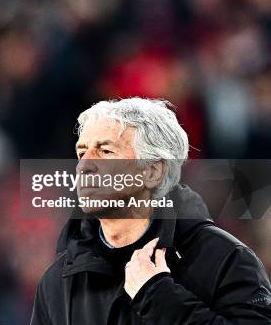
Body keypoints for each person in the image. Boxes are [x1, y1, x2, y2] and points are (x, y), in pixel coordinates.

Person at [30, 97, 271, 324]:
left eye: (105, 151)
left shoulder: (226, 260)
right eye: (82, 152)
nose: (84, 165)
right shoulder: (57, 282)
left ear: (153, 172)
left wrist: (158, 296)